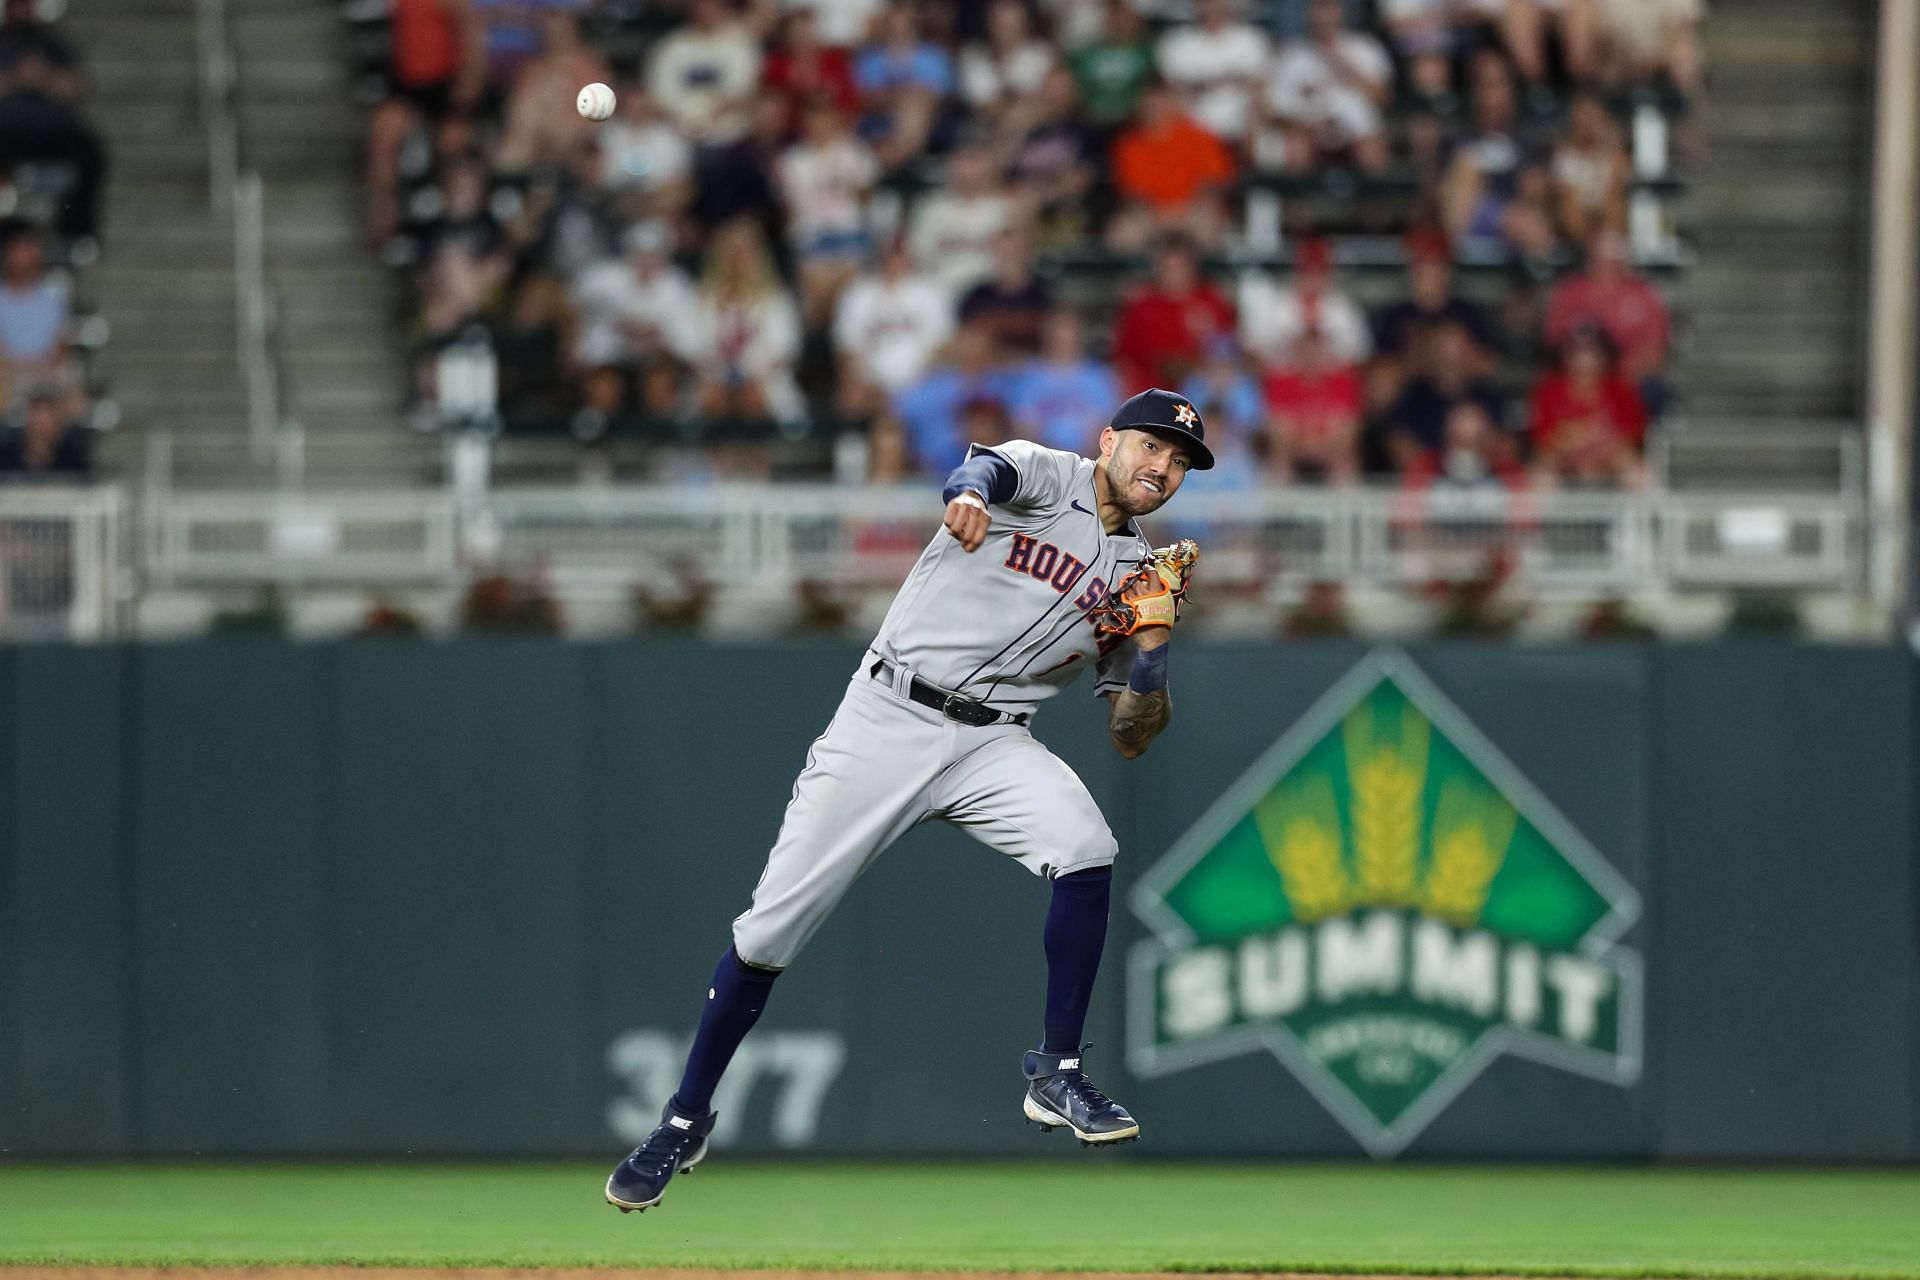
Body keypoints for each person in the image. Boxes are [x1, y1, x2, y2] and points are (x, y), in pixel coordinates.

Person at [603, 388, 1215, 1212]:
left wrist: (1150, 656)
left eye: (1179, 463)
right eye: (1151, 448)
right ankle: (683, 1118)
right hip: (888, 714)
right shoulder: (1047, 473)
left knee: (1085, 845)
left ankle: (1056, 1072)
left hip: (994, 740)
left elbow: (1132, 736)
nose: (1163, 468)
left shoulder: (1139, 572)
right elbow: (984, 470)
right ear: (1109, 441)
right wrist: (965, 496)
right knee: (769, 933)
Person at [1262, 0, 1393, 176]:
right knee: (1295, 147)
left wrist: (1341, 62)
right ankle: (1299, 200)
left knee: (1371, 150)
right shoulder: (1293, 54)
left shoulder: (1364, 47)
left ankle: (1373, 200)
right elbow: (1274, 106)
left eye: (1329, 8)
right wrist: (1304, 125)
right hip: (1309, 128)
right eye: (1318, 9)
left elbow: (1383, 97)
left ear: (1340, 12)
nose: (1323, 16)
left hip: (1357, 131)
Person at [833, 237, 954, 419]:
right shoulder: (858, 292)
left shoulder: (930, 291)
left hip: (920, 382)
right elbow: (847, 349)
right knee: (851, 399)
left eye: (901, 254)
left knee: (940, 393)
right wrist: (863, 384)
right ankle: (853, 447)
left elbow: (942, 348)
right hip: (871, 384)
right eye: (891, 254)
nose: (896, 260)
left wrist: (910, 390)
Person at [1528, 324, 1649, 489]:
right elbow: (1542, 437)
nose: (1584, 359)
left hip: (1609, 455)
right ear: (1565, 355)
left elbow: (1632, 434)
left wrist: (1597, 448)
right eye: (1577, 352)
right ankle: (1542, 515)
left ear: (1605, 355)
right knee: (1542, 471)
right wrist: (1575, 444)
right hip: (1563, 456)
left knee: (1635, 468)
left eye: (1592, 352)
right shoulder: (1548, 389)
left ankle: (1642, 514)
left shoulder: (1621, 389)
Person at [1110, 235, 1234, 390]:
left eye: (1181, 267)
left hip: (1207, 390)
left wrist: (1192, 366)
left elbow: (1229, 350)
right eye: (1168, 267)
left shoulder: (1213, 301)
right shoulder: (1141, 306)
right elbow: (1123, 358)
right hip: (1151, 392)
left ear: (1193, 266)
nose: (1175, 274)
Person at [1238, 235, 1371, 372]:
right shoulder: (1275, 305)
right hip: (1281, 381)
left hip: (1330, 383)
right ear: (1296, 272)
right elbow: (1251, 348)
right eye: (1307, 271)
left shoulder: (1343, 309)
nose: (1312, 278)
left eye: (1319, 272)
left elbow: (1360, 354)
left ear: (1329, 274)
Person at [1007, 309, 1120, 452]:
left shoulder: (1101, 378)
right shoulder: (1027, 380)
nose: (1063, 341)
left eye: (1069, 335)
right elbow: (1023, 429)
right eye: (1058, 335)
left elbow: (1108, 430)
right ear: (1046, 337)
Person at [959, 226, 1053, 357]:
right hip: (988, 369)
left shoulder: (1045, 295)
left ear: (1028, 254)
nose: (1009, 258)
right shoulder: (976, 297)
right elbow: (966, 342)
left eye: (1015, 252)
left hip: (1035, 368)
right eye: (1003, 252)